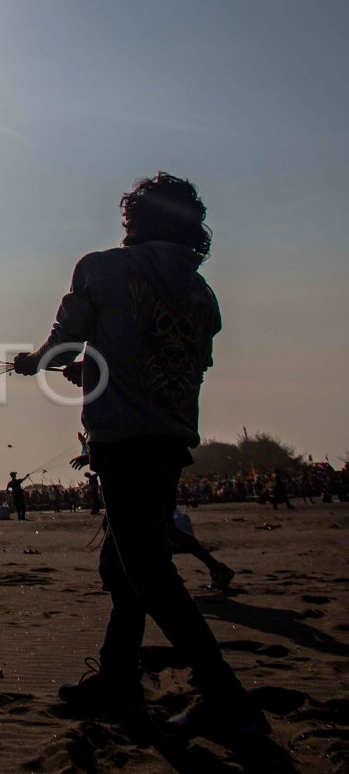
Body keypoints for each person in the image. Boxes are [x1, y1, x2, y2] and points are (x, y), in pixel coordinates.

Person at [13, 172, 268, 737]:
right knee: (123, 563)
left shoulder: (102, 268)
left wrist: (35, 361)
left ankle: (223, 693)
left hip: (123, 442)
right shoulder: (203, 296)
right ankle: (119, 675)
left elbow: (65, 340)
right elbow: (173, 363)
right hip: (171, 442)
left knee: (147, 569)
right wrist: (92, 371)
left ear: (134, 220)